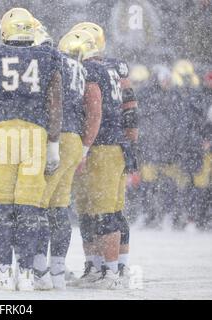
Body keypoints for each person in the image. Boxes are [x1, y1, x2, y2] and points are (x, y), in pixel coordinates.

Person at [0, 8, 62, 291]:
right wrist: (54, 143)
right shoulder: (48, 56)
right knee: (29, 208)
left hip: (2, 132)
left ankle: (4, 271)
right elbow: (55, 103)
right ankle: (26, 272)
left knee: (2, 208)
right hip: (34, 134)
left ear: (5, 31)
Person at [70, 22, 138, 289]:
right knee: (94, 210)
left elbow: (97, 111)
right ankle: (101, 266)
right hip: (114, 144)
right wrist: (131, 142)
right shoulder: (114, 67)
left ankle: (111, 270)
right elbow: (131, 108)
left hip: (102, 146)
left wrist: (86, 145)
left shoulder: (90, 70)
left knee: (105, 211)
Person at [35, 29, 102, 290]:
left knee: (39, 205)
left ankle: (39, 270)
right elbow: (92, 111)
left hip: (57, 136)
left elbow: (50, 102)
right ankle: (57, 271)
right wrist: (84, 146)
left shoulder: (52, 61)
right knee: (59, 207)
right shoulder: (80, 68)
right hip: (74, 138)